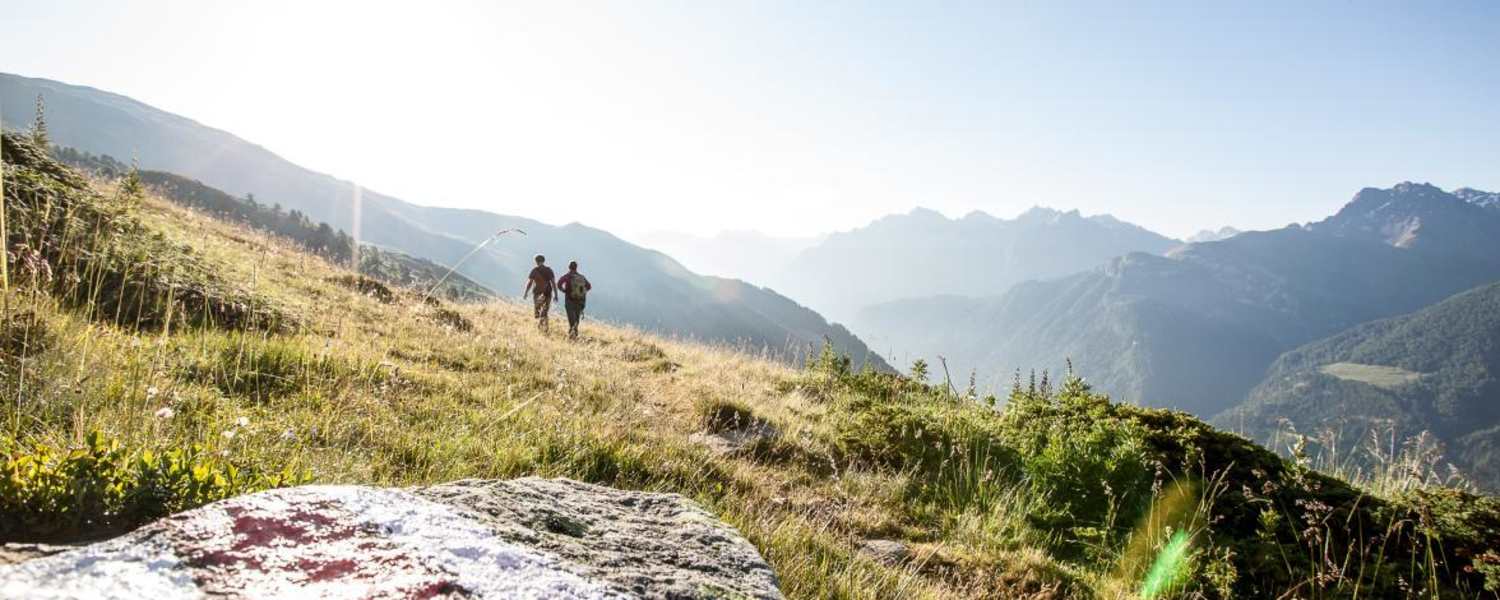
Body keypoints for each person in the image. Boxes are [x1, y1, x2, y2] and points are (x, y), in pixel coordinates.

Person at [557, 260, 592, 339]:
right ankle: (575, 334)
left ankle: (572, 335)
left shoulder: (567, 276)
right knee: (576, 318)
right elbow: (589, 286)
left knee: (571, 318)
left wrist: (564, 291)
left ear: (569, 267)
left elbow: (559, 284)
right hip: (579, 300)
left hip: (569, 299)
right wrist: (582, 292)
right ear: (576, 267)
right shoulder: (581, 277)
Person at [522, 254, 557, 332]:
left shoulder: (534, 270)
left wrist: (526, 293)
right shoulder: (549, 270)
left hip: (537, 293)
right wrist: (556, 295)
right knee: (545, 311)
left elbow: (530, 283)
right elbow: (553, 283)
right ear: (543, 261)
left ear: (536, 261)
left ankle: (542, 327)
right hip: (548, 293)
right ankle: (545, 327)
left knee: (538, 312)